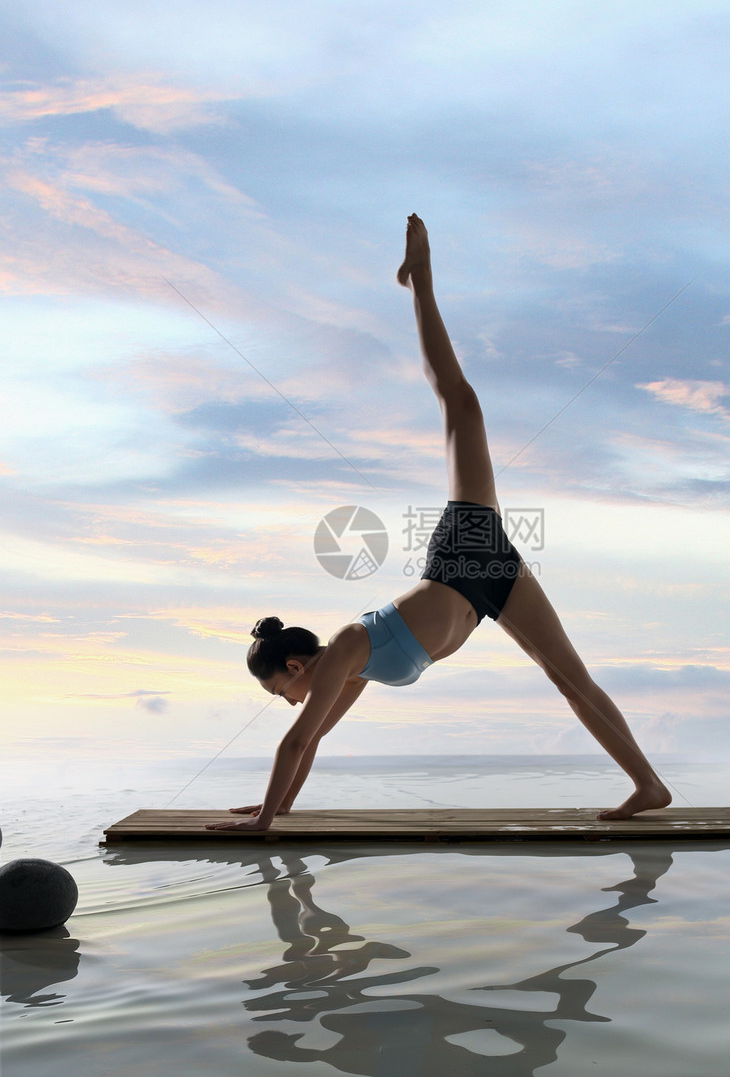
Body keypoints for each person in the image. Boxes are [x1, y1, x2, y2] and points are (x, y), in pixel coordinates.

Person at [206, 216, 670, 832]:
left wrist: (261, 823)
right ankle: (650, 785)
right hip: (491, 587)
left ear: (294, 669)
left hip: (463, 556)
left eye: (277, 694)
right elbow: (310, 744)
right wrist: (281, 807)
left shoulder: (346, 645)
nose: (286, 704)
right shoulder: (351, 670)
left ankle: (420, 282)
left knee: (460, 401)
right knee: (570, 681)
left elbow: (292, 742)